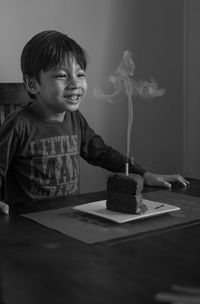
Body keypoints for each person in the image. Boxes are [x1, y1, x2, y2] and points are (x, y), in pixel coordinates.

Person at [0, 30, 189, 215]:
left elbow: (102, 153)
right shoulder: (19, 124)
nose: (75, 83)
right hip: (27, 223)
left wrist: (144, 174)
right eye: (61, 75)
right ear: (32, 84)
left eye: (80, 74)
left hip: (67, 217)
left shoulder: (74, 118)